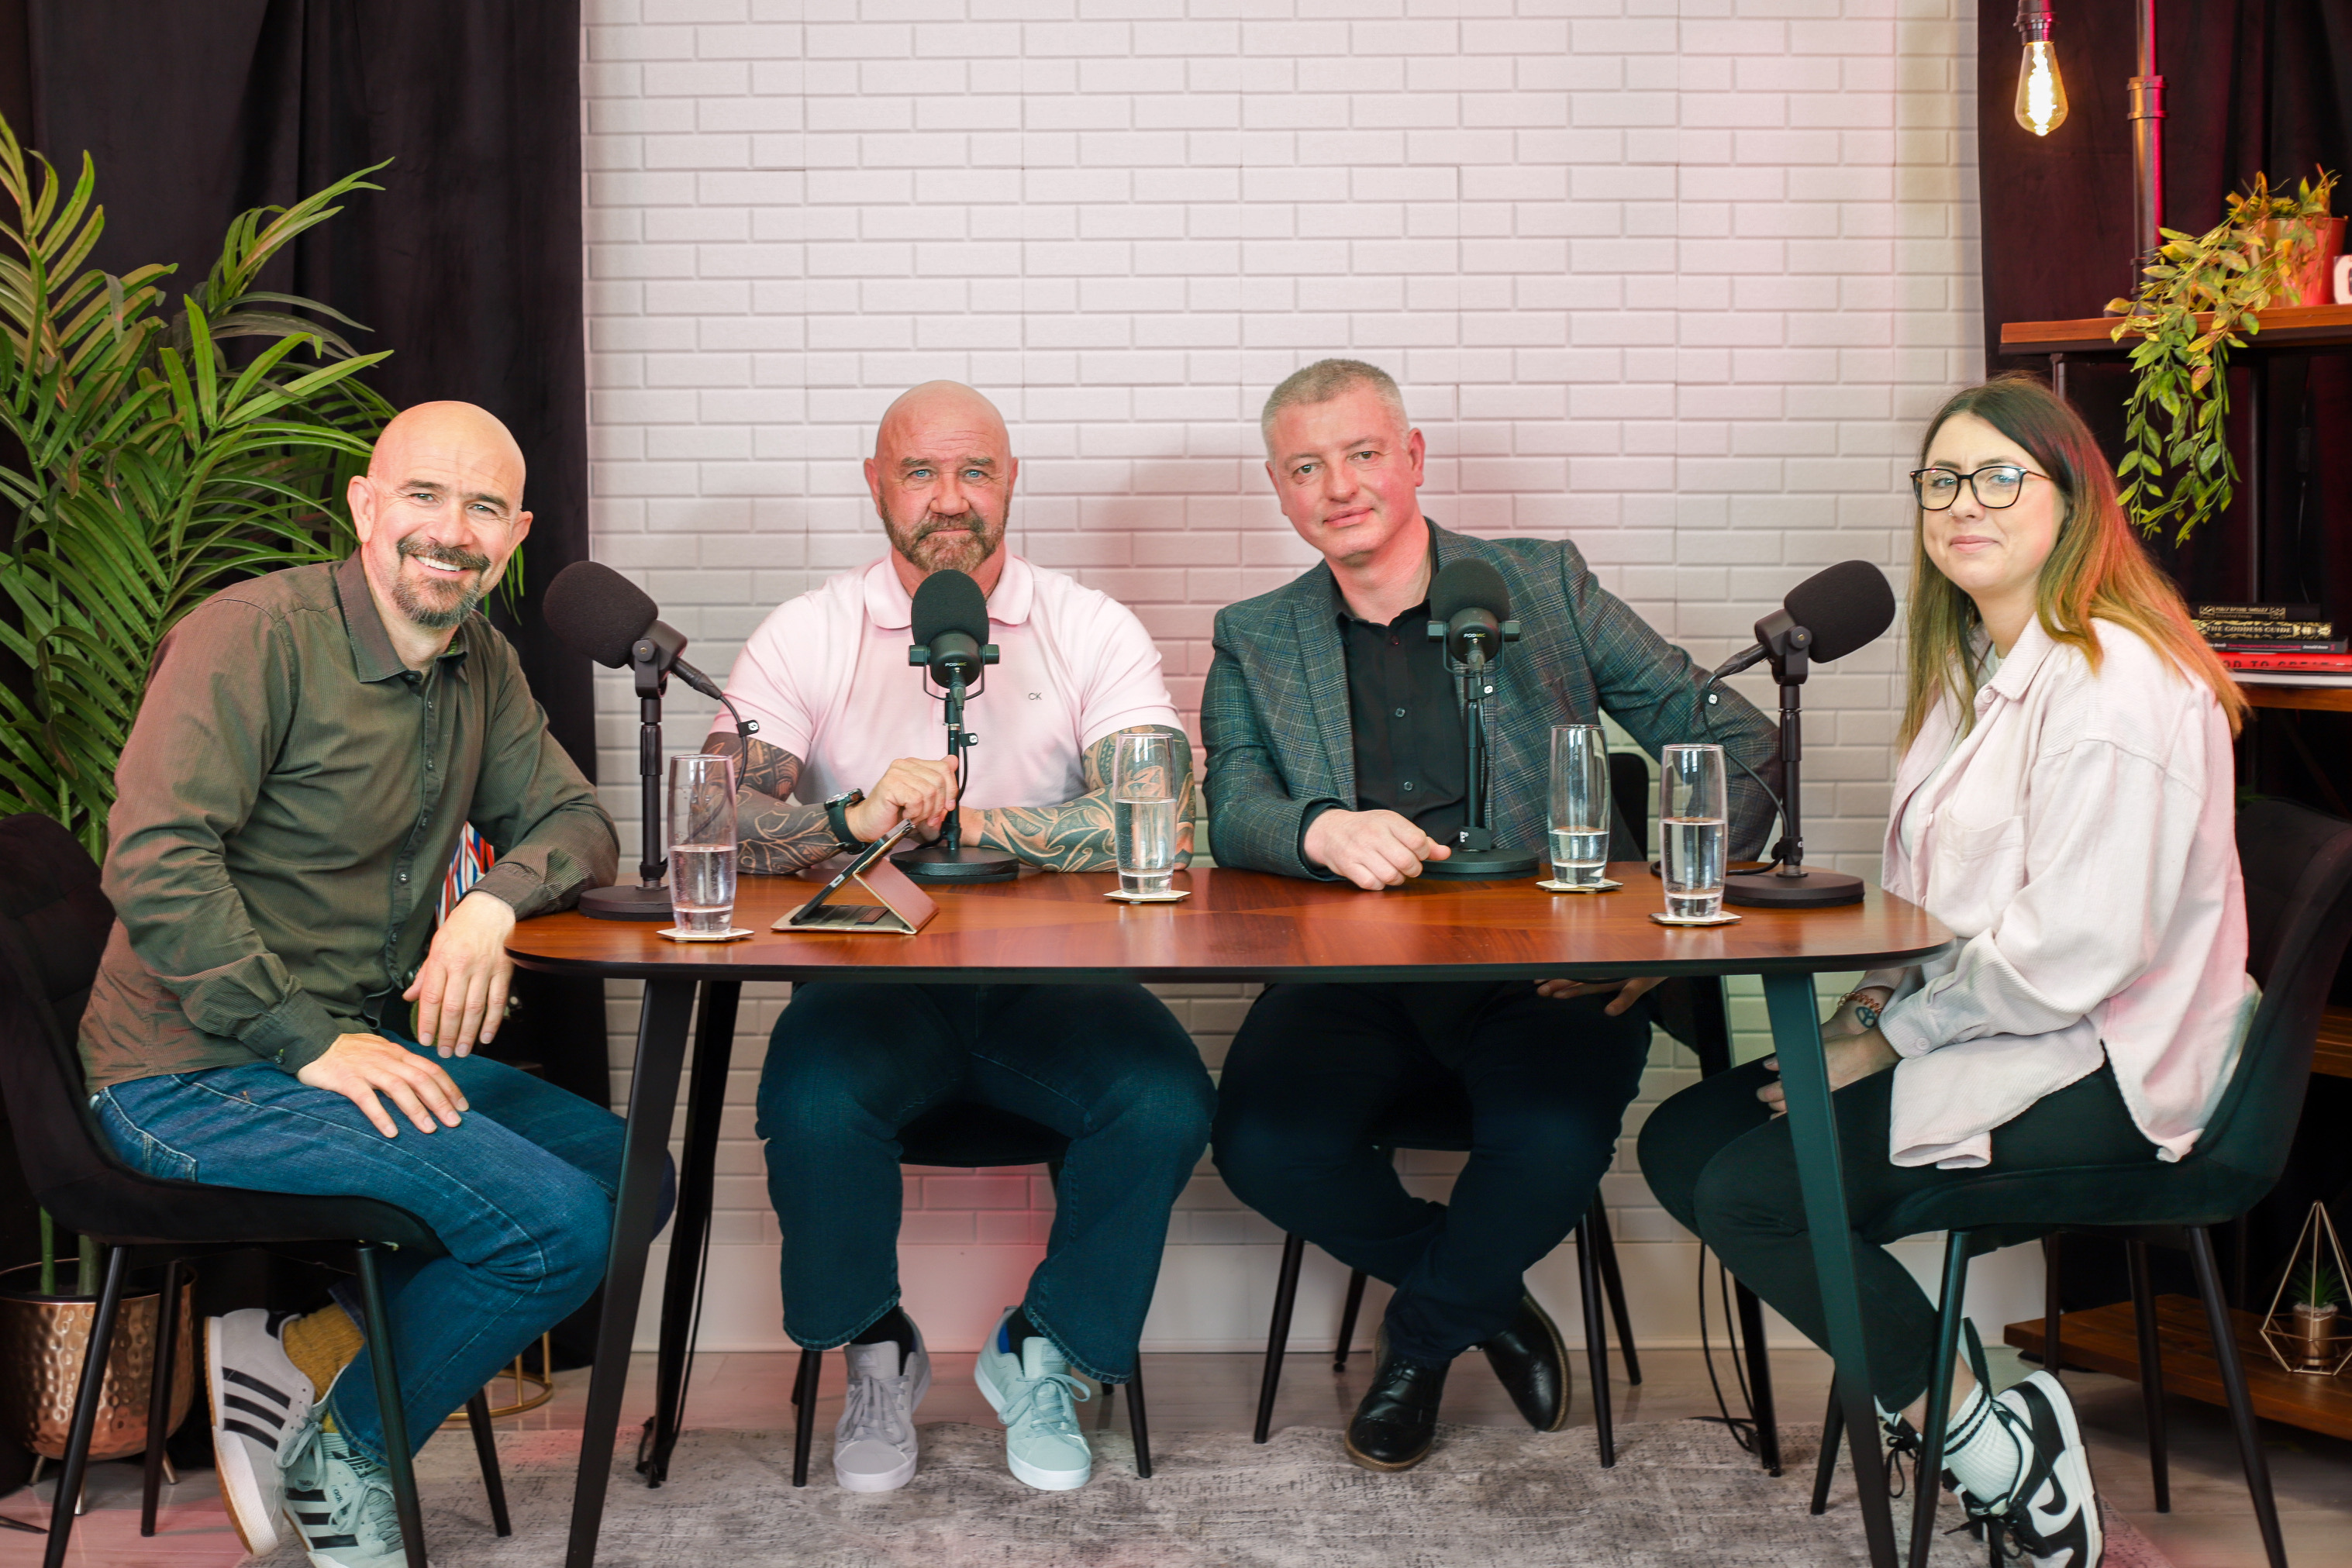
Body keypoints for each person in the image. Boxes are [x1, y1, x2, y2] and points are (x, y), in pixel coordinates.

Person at [1640, 374, 2254, 1567]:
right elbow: (1921, 908)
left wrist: (1877, 1044)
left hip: (2103, 1067)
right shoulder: (1975, 667)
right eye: (1939, 482)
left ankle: (1988, 1449)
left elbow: (2075, 953)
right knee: (1684, 1141)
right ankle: (1966, 1408)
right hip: (1988, 1032)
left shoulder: (2113, 688)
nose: (1959, 505)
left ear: (2071, 499)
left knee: (1753, 1190)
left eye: (1994, 478)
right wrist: (1867, 1014)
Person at [1202, 359, 1779, 1471]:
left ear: (1411, 459)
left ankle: (1419, 1347)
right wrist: (1316, 827)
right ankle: (1482, 1295)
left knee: (1553, 1138)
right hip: (1346, 978)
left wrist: (1654, 932)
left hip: (1545, 976)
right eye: (1306, 467)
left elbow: (1738, 743)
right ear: (1279, 492)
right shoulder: (1254, 634)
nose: (1339, 487)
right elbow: (1231, 802)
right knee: (1260, 1145)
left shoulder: (1543, 587)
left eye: (1362, 454)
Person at [81, 403, 630, 1568]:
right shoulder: (256, 636)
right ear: (365, 507)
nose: (451, 530)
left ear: (515, 532)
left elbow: (576, 821)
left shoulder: (481, 659)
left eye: (483, 508)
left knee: (631, 1176)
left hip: (343, 1051)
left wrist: (488, 907)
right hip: (191, 1073)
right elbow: (156, 859)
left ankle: (321, 1349)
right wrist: (307, 1040)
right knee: (553, 1225)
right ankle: (352, 1455)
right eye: (424, 497)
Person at [705, 380, 1215, 1495]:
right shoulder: (809, 632)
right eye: (921, 472)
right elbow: (716, 819)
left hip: (1062, 988)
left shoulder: (1089, 625)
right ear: (876, 485)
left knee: (1167, 1098)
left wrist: (977, 823)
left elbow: (1170, 820)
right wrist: (854, 820)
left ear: (1011, 483)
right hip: (868, 983)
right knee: (807, 1103)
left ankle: (1050, 1348)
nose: (949, 500)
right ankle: (873, 1345)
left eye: (974, 471)